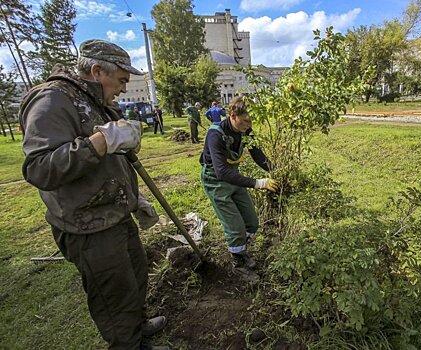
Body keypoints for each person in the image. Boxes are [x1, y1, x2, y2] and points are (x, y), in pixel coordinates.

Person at [19, 39, 169, 350]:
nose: (124, 89)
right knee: (114, 296)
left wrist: (133, 197)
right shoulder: (52, 100)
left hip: (114, 212)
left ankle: (138, 328)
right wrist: (100, 141)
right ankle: (128, 343)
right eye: (122, 81)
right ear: (98, 70)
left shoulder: (95, 100)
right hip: (87, 224)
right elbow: (40, 168)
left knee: (136, 276)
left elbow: (112, 162)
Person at [200, 96, 278, 282]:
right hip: (216, 182)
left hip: (234, 178)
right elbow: (221, 172)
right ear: (233, 115)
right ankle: (238, 265)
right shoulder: (215, 135)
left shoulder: (246, 131)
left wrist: (277, 170)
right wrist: (258, 183)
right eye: (244, 121)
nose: (248, 125)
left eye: (250, 121)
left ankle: (241, 253)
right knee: (235, 228)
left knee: (252, 222)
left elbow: (258, 155)